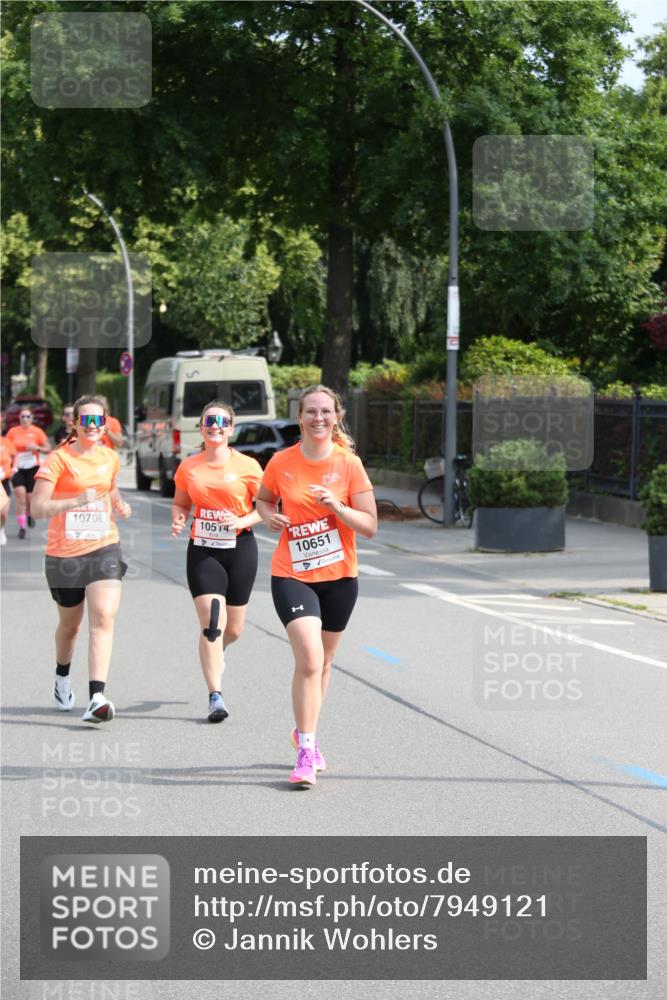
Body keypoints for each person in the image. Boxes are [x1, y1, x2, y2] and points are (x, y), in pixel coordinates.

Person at [256, 385, 377, 787]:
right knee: (309, 659)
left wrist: (337, 508)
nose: (319, 418)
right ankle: (306, 750)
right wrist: (270, 516)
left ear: (337, 415)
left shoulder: (349, 465)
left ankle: (305, 731)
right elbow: (263, 499)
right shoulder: (280, 461)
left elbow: (370, 526)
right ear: (300, 417)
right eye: (311, 412)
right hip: (292, 573)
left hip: (340, 576)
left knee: (324, 663)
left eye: (326, 411)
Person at [31, 395, 132, 724]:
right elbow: (38, 508)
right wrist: (75, 501)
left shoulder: (109, 456)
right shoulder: (58, 459)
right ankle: (62, 676)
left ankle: (97, 696)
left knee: (103, 617)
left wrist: (119, 504)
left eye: (98, 421)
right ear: (73, 423)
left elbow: (110, 486)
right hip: (64, 554)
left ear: (105, 424)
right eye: (85, 420)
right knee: (70, 626)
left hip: (104, 546)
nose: (92, 426)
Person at [171, 400, 263, 722]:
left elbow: (265, 508)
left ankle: (219, 651)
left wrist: (241, 521)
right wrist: (179, 519)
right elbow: (181, 502)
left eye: (222, 421)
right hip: (203, 550)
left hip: (240, 548)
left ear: (231, 429)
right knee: (212, 624)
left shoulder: (249, 466)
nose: (215, 426)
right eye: (209, 420)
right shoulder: (189, 467)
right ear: (201, 428)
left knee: (233, 629)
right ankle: (215, 696)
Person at [6, 407, 50, 538]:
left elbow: (48, 449)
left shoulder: (37, 432)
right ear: (19, 418)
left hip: (32, 467)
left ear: (32, 418)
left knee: (30, 499)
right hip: (17, 467)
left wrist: (36, 447)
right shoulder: (13, 432)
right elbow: (6, 448)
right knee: (20, 496)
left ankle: (29, 513)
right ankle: (22, 527)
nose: (25, 419)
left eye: (28, 417)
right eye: (22, 417)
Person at [0, 432, 17, 545]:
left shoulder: (6, 442)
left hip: (3, 480)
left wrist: (14, 468)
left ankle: (1, 530)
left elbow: (15, 455)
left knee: (3, 513)